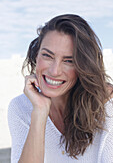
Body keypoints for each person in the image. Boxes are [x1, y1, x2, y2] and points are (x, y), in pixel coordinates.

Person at [8, 14, 113, 163]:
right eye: (47, 56)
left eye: (69, 61)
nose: (54, 71)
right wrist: (40, 112)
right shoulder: (21, 107)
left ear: (83, 66)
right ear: (36, 55)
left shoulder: (109, 107)